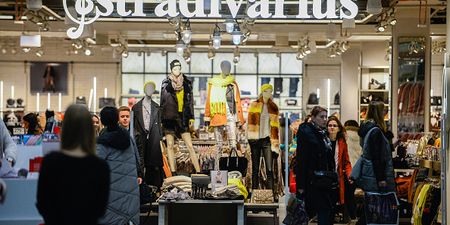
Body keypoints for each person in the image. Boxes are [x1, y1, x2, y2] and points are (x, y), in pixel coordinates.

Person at [36, 104, 110, 225]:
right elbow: (100, 209)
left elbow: (42, 204)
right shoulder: (100, 167)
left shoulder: (50, 162)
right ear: (89, 129)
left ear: (65, 128)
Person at [352, 101, 395, 225]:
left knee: (371, 205)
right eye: (383, 111)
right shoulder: (375, 131)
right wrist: (381, 178)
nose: (385, 113)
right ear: (378, 113)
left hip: (369, 172)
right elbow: (377, 156)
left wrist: (390, 146)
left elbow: (371, 150)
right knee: (375, 207)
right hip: (375, 175)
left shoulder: (367, 128)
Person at [97, 106, 140, 225]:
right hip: (131, 199)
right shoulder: (129, 139)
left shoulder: (102, 144)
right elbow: (138, 162)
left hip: (111, 203)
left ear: (102, 121)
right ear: (117, 119)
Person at [296, 106, 337, 225]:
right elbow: (302, 159)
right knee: (314, 212)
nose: (325, 120)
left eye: (326, 117)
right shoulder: (307, 133)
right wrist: (300, 185)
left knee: (324, 211)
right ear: (313, 118)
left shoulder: (322, 134)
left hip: (324, 180)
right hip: (312, 180)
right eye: (321, 117)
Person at [327, 116, 355, 223]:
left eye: (335, 126)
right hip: (324, 178)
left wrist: (349, 175)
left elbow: (346, 162)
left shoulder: (342, 142)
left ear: (339, 128)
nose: (332, 128)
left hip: (337, 179)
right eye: (330, 125)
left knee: (334, 205)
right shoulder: (323, 141)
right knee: (326, 207)